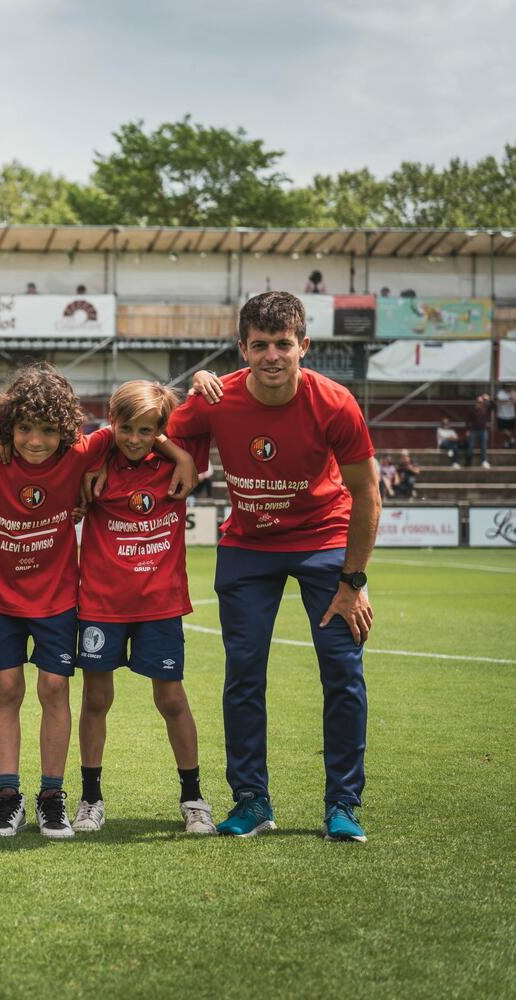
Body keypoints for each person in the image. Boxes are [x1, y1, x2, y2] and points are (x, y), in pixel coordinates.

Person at [182, 290, 379, 843]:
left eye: (283, 344)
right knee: (244, 674)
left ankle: (343, 804)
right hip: (248, 546)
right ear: (242, 348)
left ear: (303, 346)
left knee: (343, 673)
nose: (272, 355)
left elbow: (367, 494)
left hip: (324, 543)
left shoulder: (335, 402)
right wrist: (192, 387)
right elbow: (156, 428)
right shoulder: (217, 398)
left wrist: (353, 582)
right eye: (261, 344)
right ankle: (252, 800)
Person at [0, 365, 195, 839]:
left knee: (54, 687)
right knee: (5, 688)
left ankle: (52, 797)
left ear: (66, 432)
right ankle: (8, 797)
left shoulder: (82, 450)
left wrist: (180, 454)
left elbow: (133, 428)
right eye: (24, 429)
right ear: (8, 427)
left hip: (57, 597)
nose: (35, 441)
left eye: (48, 431)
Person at [74, 381, 215, 835]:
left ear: (160, 431)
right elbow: (84, 441)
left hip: (160, 603)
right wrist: (102, 454)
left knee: (171, 699)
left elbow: (207, 409)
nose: (134, 439)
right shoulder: (94, 463)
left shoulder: (177, 462)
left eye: (146, 431)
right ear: (112, 423)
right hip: (101, 603)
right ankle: (90, 798)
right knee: (96, 699)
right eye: (126, 428)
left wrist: (178, 447)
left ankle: (193, 798)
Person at [465, 393, 492, 468]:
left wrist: (489, 398)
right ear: (476, 402)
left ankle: (483, 461)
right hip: (474, 430)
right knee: (471, 446)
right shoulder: (473, 410)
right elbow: (468, 421)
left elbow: (494, 406)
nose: (480, 403)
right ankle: (468, 462)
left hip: (483, 430)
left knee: (483, 447)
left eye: (481, 402)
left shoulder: (486, 409)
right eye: (479, 402)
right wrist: (467, 430)